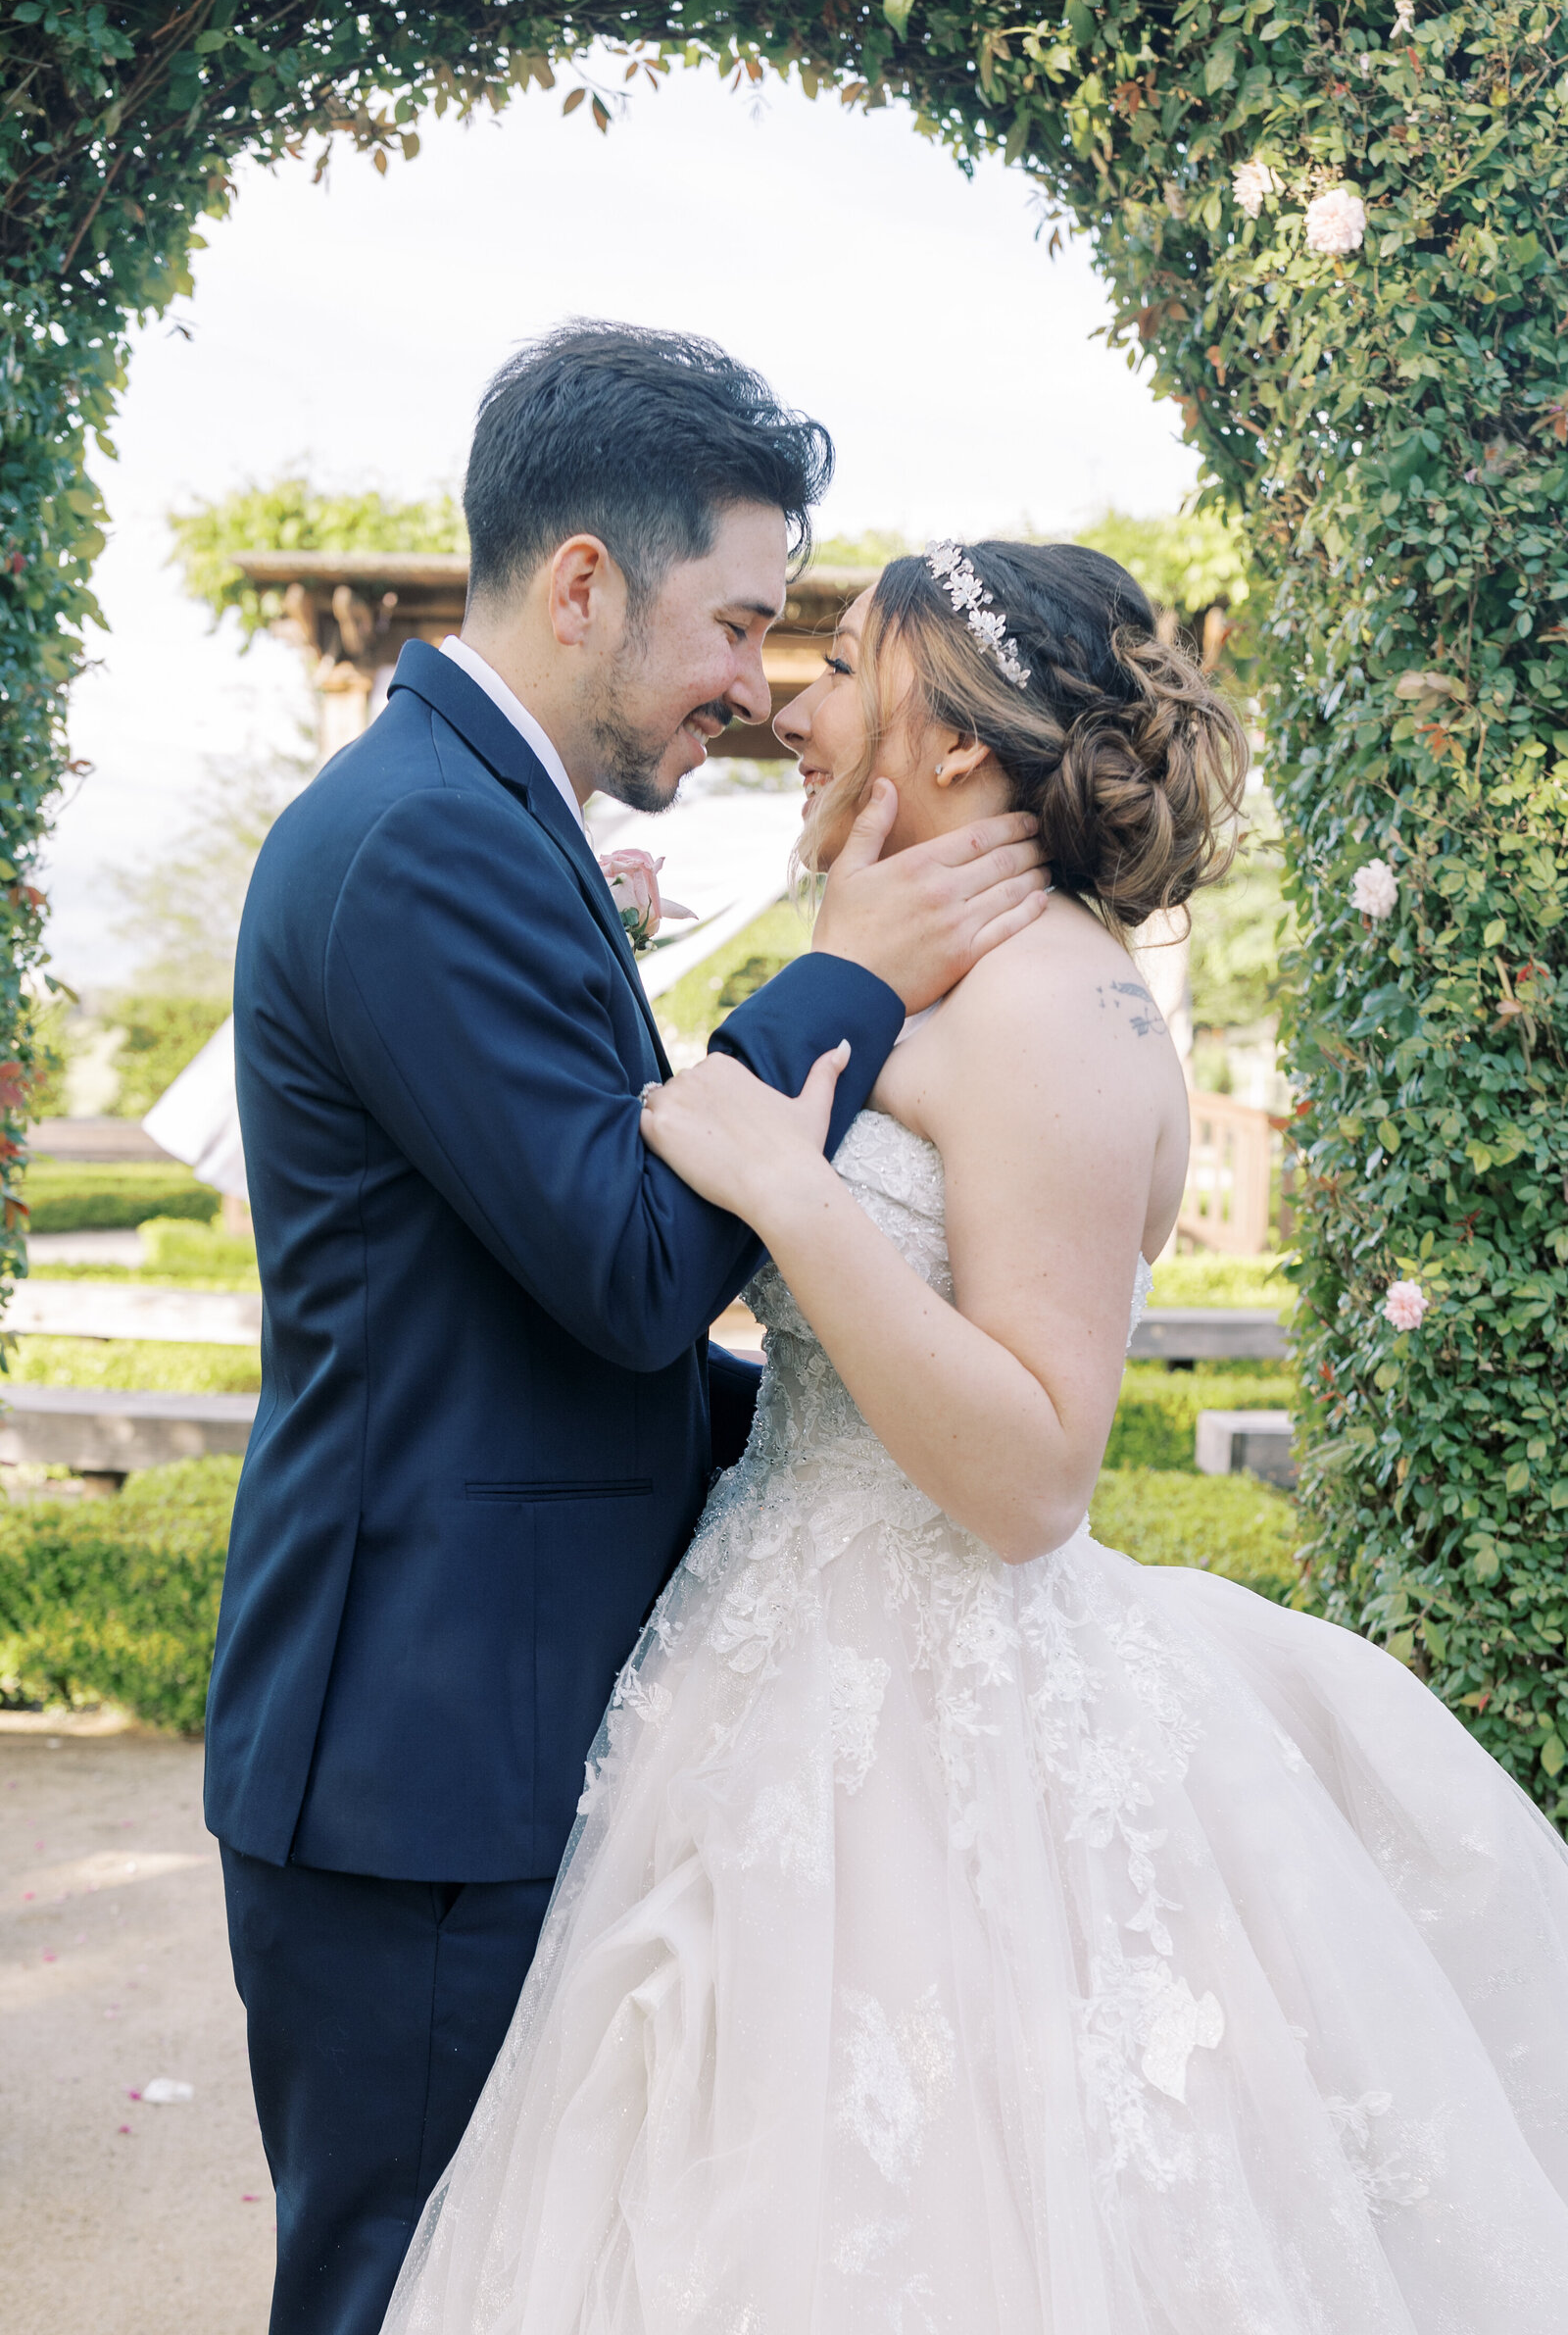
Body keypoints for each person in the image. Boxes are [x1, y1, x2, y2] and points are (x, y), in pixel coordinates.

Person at [382, 538, 1568, 2333]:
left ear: (944, 734)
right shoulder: (933, 977)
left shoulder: (1061, 1009)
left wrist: (794, 1187)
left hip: (939, 1726)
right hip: (774, 1669)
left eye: (846, 663)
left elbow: (1032, 1477)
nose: (795, 702)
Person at [205, 327, 1051, 2335]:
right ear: (581, 581)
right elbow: (631, 1263)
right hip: (420, 1761)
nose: (760, 687)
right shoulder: (421, 838)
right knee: (395, 2293)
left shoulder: (481, 816)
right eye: (738, 622)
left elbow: (543, 1290)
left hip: (489, 1724)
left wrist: (852, 1438)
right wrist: (837, 981)